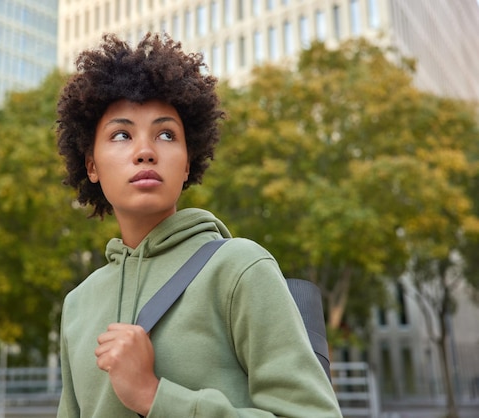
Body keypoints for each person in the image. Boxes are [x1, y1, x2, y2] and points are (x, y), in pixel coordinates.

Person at [55, 32, 342, 418]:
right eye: (121, 134)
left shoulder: (240, 268)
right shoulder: (78, 305)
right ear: (91, 165)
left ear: (188, 162)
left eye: (166, 134)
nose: (145, 152)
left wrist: (154, 396)